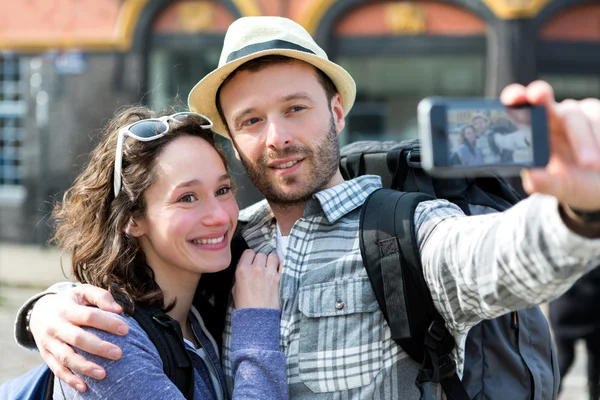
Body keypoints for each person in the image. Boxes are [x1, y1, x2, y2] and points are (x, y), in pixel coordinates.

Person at [14, 16, 600, 399]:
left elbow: (503, 257)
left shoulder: (402, 230)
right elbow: (140, 285)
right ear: (233, 140)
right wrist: (46, 310)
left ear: (337, 113)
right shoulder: (227, 242)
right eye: (250, 121)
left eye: (296, 108)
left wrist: (578, 210)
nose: (277, 137)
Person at [43, 105, 287, 399]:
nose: (220, 217)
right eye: (187, 198)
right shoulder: (106, 338)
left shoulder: (201, 317)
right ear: (132, 220)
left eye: (222, 190)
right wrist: (257, 324)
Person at [549, 268, 600, 400]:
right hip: (592, 307)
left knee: (565, 357)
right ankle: (594, 394)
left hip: (562, 308)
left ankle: (549, 394)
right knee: (595, 356)